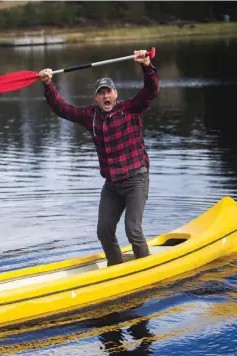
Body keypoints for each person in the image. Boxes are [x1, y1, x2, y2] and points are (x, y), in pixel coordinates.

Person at [39, 49, 160, 266]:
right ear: (96, 97)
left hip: (136, 179)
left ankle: (146, 269)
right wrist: (48, 85)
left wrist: (146, 66)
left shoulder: (131, 109)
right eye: (101, 93)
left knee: (133, 230)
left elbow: (151, 90)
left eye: (109, 92)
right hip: (112, 185)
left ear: (116, 94)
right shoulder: (90, 116)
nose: (106, 96)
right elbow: (62, 109)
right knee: (104, 231)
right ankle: (116, 268)